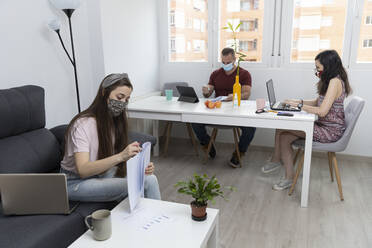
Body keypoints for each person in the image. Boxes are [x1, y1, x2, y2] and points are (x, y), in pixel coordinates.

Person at [60, 73, 161, 202]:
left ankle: (155, 219)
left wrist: (141, 166)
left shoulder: (113, 121)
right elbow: (83, 170)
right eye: (119, 97)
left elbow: (111, 160)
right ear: (104, 92)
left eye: (126, 100)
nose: (122, 103)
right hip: (75, 182)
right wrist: (121, 156)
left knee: (149, 178)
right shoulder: (82, 125)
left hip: (101, 173)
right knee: (141, 183)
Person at [262, 50, 352, 191]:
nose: (316, 71)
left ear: (328, 67)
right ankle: (288, 176)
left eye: (318, 68)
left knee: (281, 128)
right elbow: (318, 101)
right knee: (284, 136)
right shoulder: (330, 80)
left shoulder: (335, 82)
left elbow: (322, 110)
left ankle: (276, 161)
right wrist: (296, 101)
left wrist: (299, 106)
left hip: (330, 131)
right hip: (323, 125)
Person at [192, 47, 256, 168]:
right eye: (223, 62)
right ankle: (207, 145)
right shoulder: (215, 74)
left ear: (234, 60)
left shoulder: (244, 74)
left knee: (251, 127)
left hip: (236, 110)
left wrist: (235, 96)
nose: (225, 65)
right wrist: (206, 91)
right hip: (217, 109)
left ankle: (239, 153)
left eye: (228, 62)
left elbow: (247, 94)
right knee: (194, 120)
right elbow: (208, 94)